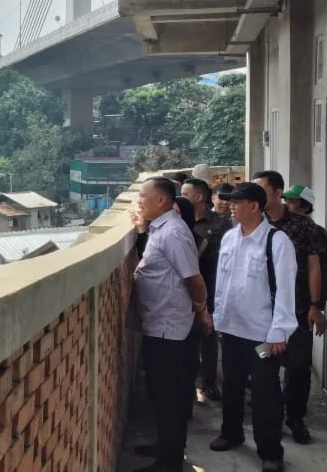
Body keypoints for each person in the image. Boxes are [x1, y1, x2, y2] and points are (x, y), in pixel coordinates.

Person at [210, 183, 298, 472]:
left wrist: (279, 332)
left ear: (255, 206)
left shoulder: (276, 241)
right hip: (232, 331)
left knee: (265, 393)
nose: (231, 206)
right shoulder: (230, 238)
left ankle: (270, 451)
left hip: (262, 337)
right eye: (230, 202)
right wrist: (219, 319)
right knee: (232, 386)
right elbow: (222, 284)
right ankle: (231, 433)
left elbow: (285, 290)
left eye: (238, 202)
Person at [130, 177, 212, 472]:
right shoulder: (159, 230)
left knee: (169, 397)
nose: (138, 201)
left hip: (170, 330)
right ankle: (166, 447)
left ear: (162, 200)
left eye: (142, 196)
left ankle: (170, 462)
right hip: (159, 325)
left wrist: (202, 311)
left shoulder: (174, 233)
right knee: (160, 393)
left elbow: (194, 279)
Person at [253, 171, 327, 445]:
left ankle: (295, 418)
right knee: (264, 364)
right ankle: (269, 418)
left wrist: (316, 306)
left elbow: (314, 268)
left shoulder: (302, 227)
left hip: (296, 312)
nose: (257, 195)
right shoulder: (252, 225)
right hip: (260, 313)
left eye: (262, 189)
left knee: (298, 368)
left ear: (277, 192)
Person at [182, 178, 232, 402]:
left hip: (212, 286)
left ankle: (209, 383)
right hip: (183, 289)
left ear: (198, 197)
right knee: (186, 339)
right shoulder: (179, 222)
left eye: (185, 193)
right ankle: (189, 385)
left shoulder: (221, 225)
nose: (180, 197)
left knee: (209, 336)